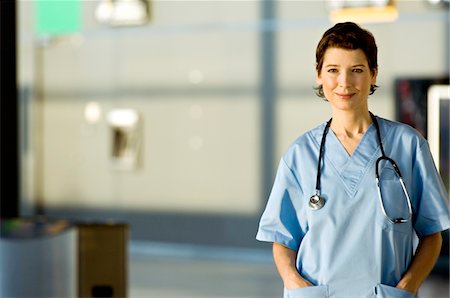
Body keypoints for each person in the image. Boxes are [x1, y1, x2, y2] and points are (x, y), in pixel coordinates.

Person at [256, 22, 450, 298]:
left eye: (357, 70)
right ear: (319, 75)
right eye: (333, 70)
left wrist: (406, 289)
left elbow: (432, 235)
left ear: (373, 74)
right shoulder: (300, 154)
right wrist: (297, 287)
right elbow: (283, 240)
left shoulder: (408, 146)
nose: (344, 82)